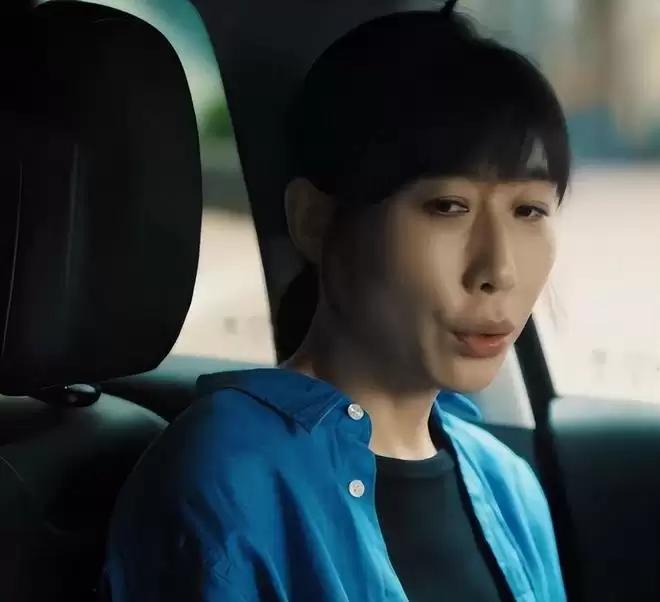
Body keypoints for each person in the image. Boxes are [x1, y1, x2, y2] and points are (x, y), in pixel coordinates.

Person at [104, 5, 570, 602]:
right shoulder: (227, 475)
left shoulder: (511, 488)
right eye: (447, 207)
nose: (498, 271)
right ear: (316, 221)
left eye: (529, 210)